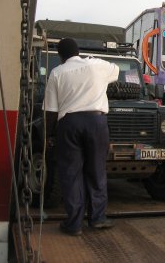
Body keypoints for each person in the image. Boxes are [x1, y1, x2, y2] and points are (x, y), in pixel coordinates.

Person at [44, 38, 119, 236]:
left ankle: (74, 224)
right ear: (79, 51)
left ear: (61, 56)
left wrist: (48, 135)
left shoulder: (57, 73)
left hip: (69, 124)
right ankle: (98, 219)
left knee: (71, 174)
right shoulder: (96, 65)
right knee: (96, 171)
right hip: (96, 122)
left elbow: (51, 111)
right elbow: (116, 70)